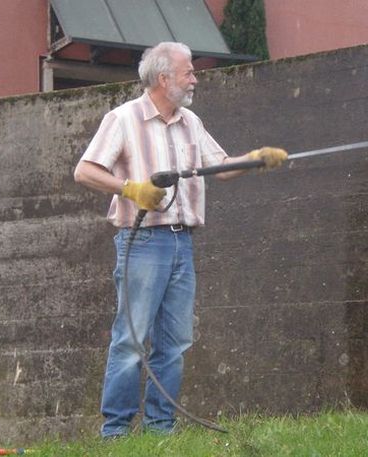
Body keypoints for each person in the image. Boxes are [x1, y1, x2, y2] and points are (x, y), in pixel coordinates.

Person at [74, 41, 287, 438]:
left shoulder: (191, 121)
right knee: (131, 338)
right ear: (163, 78)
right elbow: (84, 171)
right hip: (142, 244)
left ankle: (160, 429)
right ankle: (115, 432)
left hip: (180, 243)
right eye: (188, 71)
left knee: (175, 341)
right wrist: (131, 189)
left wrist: (256, 158)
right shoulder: (123, 119)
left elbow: (219, 168)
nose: (194, 78)